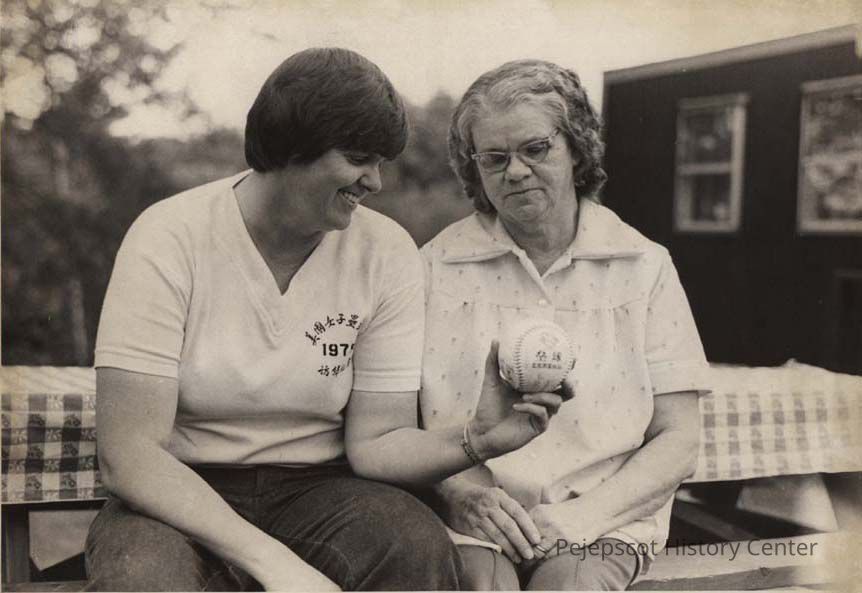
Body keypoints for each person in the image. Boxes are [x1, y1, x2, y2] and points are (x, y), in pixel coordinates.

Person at [86, 48, 567, 592]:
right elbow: (130, 455)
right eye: (359, 158)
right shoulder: (168, 236)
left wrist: (476, 439)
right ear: (292, 147)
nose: (374, 182)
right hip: (178, 490)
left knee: (412, 544)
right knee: (141, 579)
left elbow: (376, 442)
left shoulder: (384, 251)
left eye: (380, 162)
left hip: (318, 490)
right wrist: (276, 565)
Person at [420, 59, 710, 590]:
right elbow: (404, 424)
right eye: (494, 158)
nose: (515, 171)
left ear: (576, 148)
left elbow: (680, 437)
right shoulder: (434, 267)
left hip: (601, 521)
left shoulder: (643, 266)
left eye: (535, 149)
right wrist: (458, 495)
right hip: (472, 520)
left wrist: (581, 519)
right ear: (474, 168)